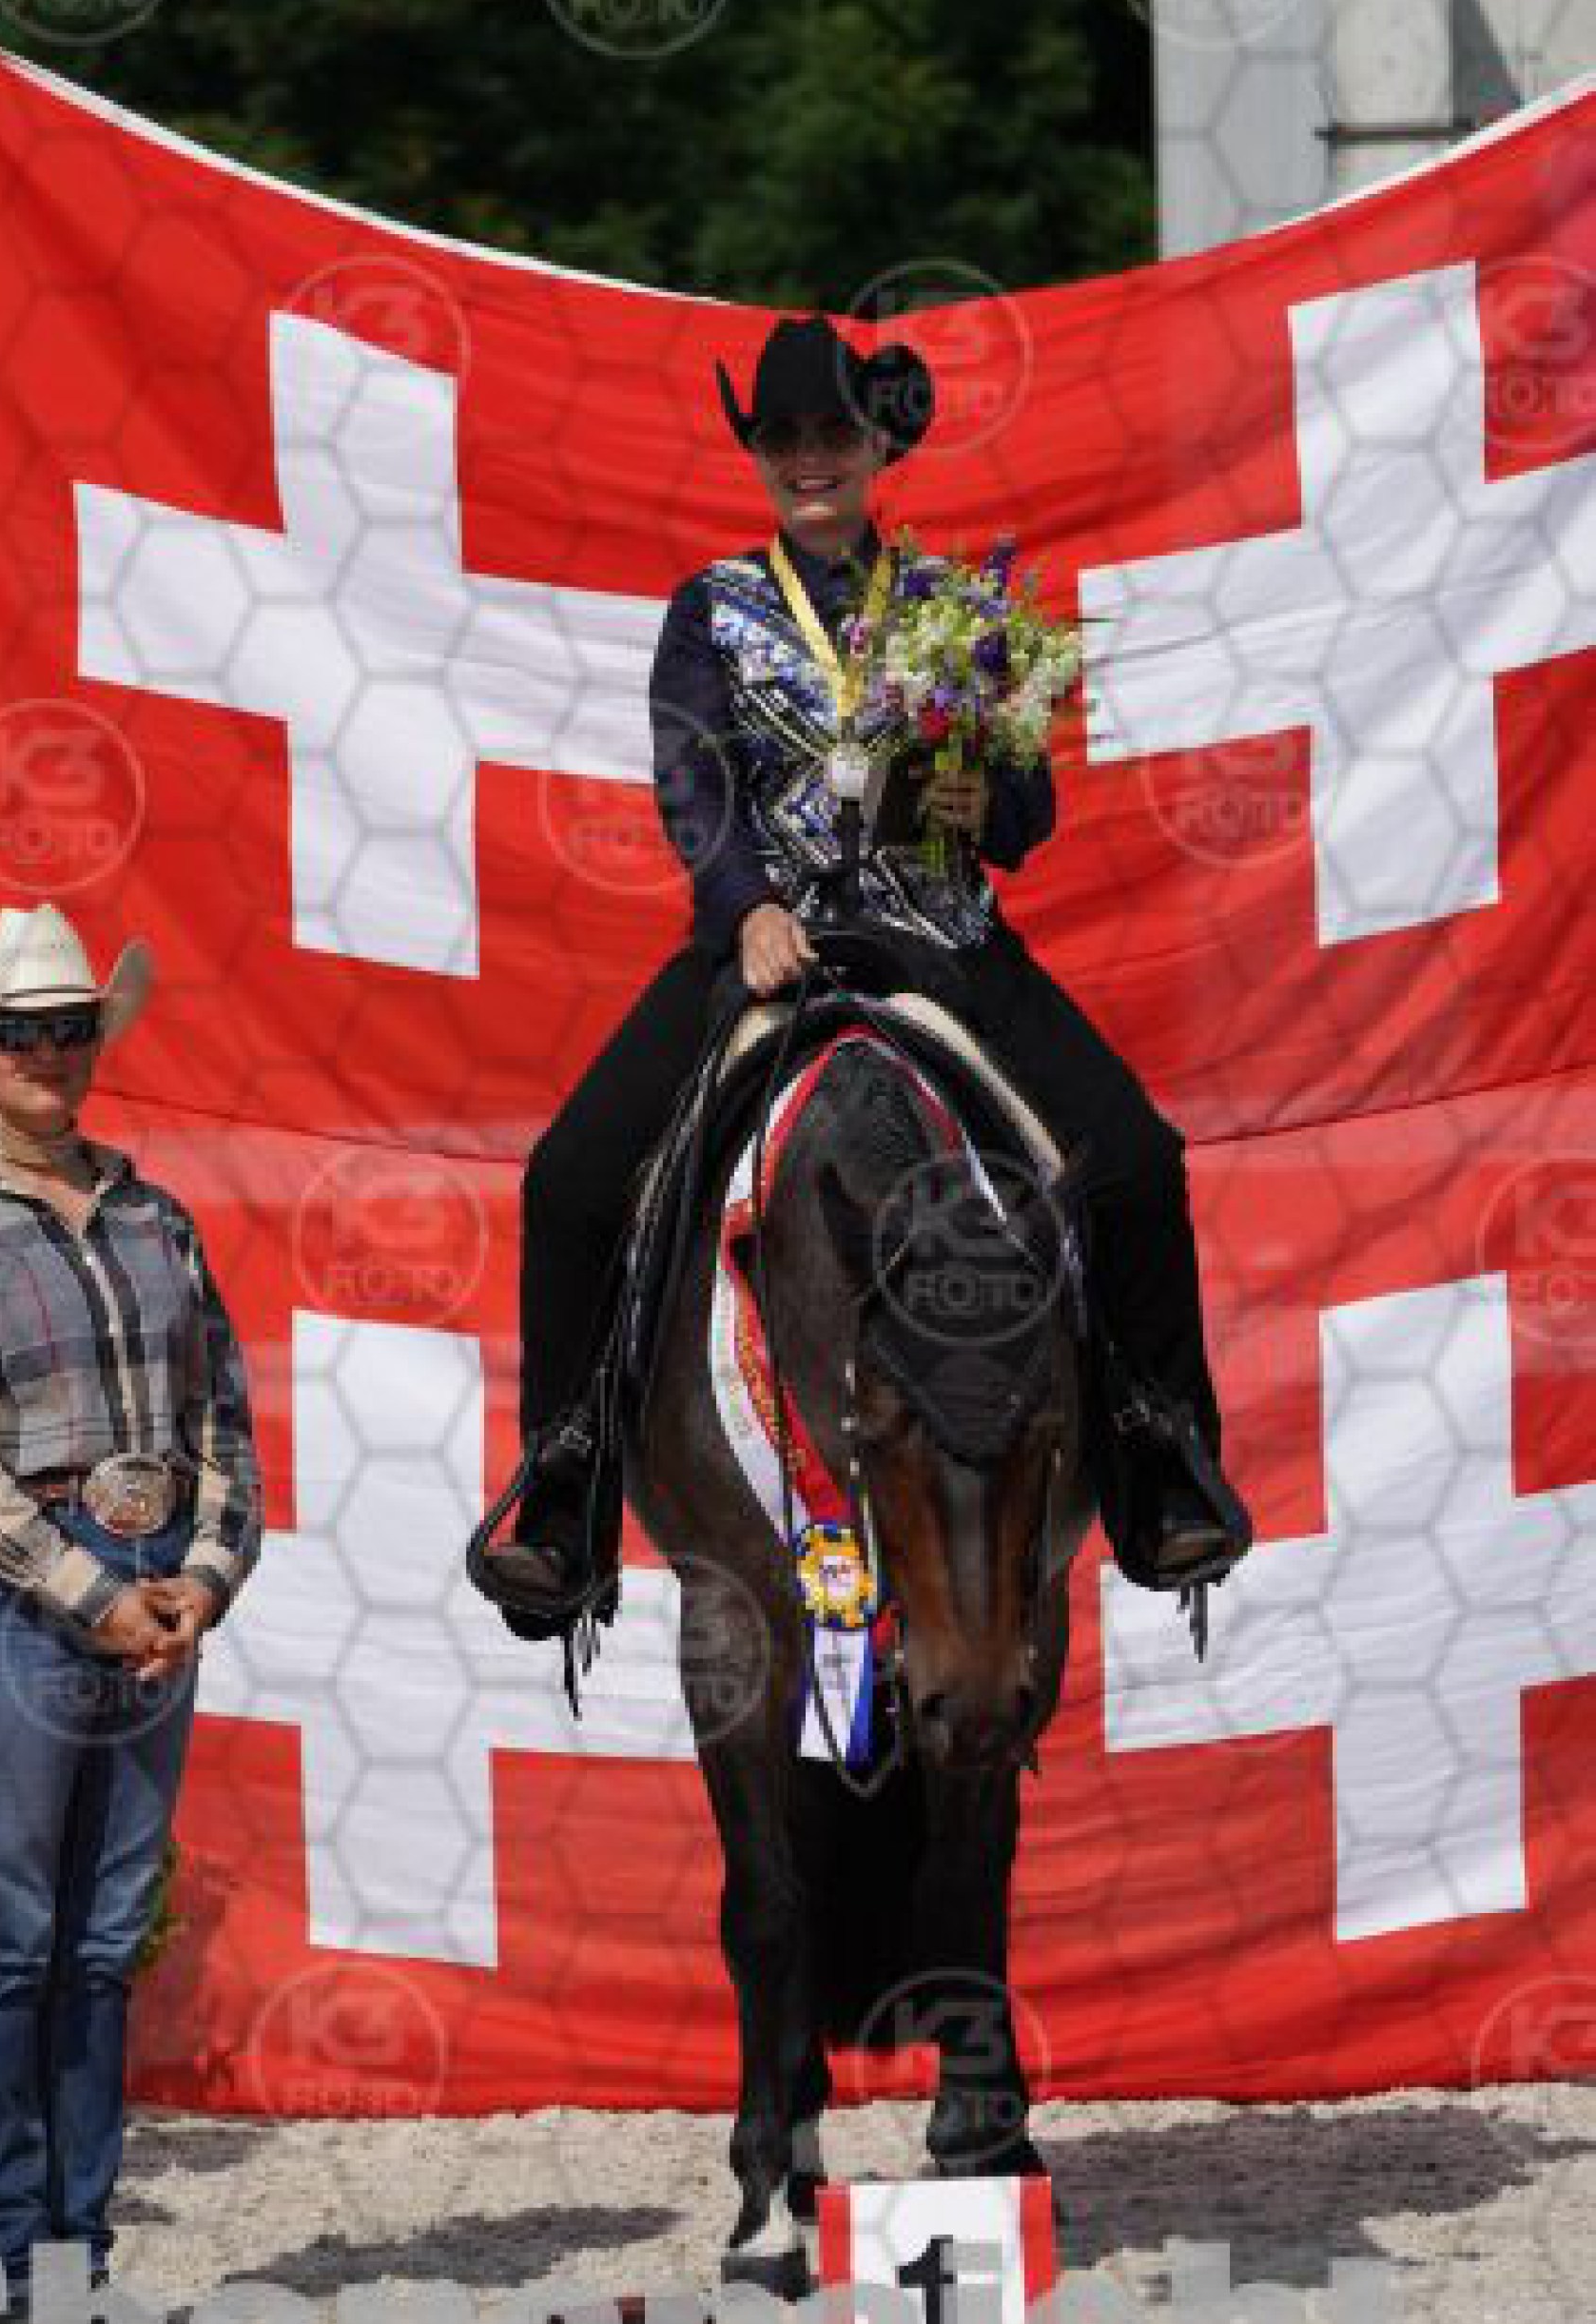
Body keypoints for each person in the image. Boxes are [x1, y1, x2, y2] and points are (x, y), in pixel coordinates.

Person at [475, 314, 1246, 1625]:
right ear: (757, 455)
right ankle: (567, 1482)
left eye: (832, 431)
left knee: (1134, 1159)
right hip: (771, 950)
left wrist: (981, 802)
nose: (808, 457)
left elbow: (1027, 813)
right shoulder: (710, 609)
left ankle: (1156, 1450)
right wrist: (742, 909)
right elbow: (693, 780)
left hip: (943, 942)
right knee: (571, 1178)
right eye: (781, 436)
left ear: (879, 444)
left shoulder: (957, 608)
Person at [0, 902, 263, 2324]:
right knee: (13, 1935)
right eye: (22, 1033)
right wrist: (101, 1592)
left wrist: (202, 1577)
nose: (49, 1053)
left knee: (98, 1940)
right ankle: (13, 2264)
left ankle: (79, 2262)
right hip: (20, 1594)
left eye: (71, 1028)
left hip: (151, 1589)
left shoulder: (159, 1220)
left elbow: (223, 1419)